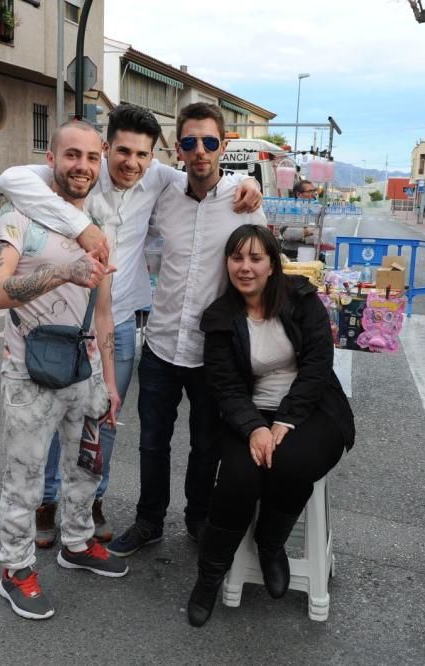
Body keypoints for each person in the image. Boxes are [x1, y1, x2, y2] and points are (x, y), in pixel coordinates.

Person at [0, 104, 262, 548]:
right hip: (60, 320)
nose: (131, 163)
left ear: (155, 156)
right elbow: (10, 179)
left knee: (103, 419)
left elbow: (207, 179)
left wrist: (248, 183)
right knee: (53, 415)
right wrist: (82, 226)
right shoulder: (82, 171)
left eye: (142, 155)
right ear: (106, 147)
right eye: (122, 151)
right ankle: (46, 501)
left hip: (118, 321)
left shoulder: (161, 179)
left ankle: (91, 501)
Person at [107, 102, 268, 557]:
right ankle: (149, 520)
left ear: (224, 146)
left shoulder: (244, 204)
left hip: (211, 353)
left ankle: (198, 519)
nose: (201, 152)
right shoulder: (164, 193)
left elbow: (261, 268)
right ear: (178, 148)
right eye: (191, 142)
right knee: (152, 443)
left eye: (210, 142)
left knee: (205, 447)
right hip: (159, 344)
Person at [0, 120, 127, 622]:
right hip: (28, 370)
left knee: (86, 466)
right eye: (71, 155)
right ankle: (16, 569)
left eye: (91, 157)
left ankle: (78, 542)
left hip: (84, 367)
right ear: (51, 157)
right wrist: (64, 271)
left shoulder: (103, 225)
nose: (81, 167)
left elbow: (104, 310)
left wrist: (109, 379)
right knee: (24, 476)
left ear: (101, 158)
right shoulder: (17, 215)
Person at [186, 225, 354, 627]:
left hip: (311, 407)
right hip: (249, 413)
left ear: (272, 264)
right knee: (239, 478)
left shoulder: (300, 298)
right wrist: (255, 428)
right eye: (237, 258)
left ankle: (269, 543)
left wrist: (287, 419)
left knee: (292, 463)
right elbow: (225, 386)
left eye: (255, 258)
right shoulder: (220, 318)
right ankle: (208, 578)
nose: (245, 268)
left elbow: (318, 364)